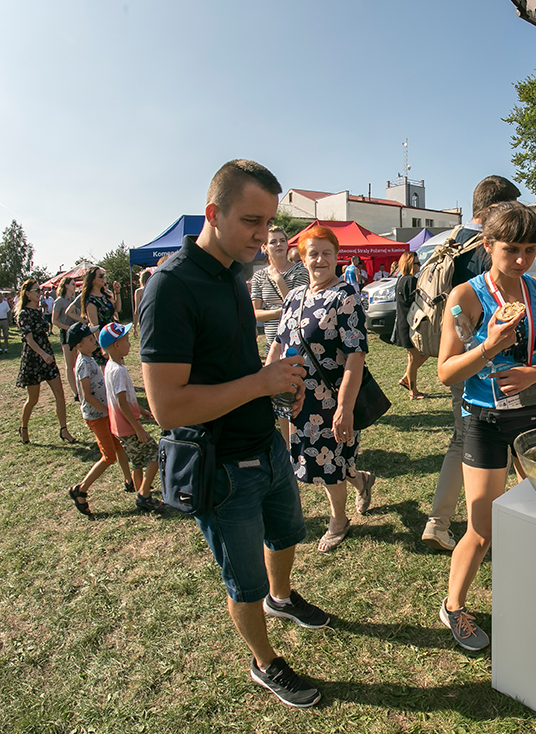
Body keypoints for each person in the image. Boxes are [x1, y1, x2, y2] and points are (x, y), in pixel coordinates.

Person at [140, 160, 328, 708]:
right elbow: (166, 406)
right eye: (251, 220)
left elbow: (228, 364)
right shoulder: (171, 287)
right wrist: (258, 382)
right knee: (242, 581)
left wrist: (274, 389)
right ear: (212, 214)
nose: (264, 236)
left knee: (286, 532)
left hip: (266, 445)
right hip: (220, 466)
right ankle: (265, 662)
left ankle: (283, 597)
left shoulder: (232, 273)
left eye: (269, 223)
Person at [436, 201, 536, 651]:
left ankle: (529, 593)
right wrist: (489, 347)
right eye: (512, 249)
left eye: (530, 249)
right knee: (483, 527)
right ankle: (454, 606)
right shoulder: (465, 297)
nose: (521, 260)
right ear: (488, 244)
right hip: (485, 422)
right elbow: (445, 372)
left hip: (535, 418)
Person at [421, 175, 521, 553]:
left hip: (460, 357)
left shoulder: (454, 244)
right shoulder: (488, 248)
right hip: (486, 365)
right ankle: (459, 523)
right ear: (497, 208)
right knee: (495, 443)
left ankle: (439, 521)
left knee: (460, 439)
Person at [269, 225, 376, 553]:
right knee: (318, 461)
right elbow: (277, 343)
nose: (320, 259)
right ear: (301, 258)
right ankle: (361, 480)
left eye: (327, 253)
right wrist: (264, 384)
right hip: (294, 400)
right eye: (312, 253)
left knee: (329, 467)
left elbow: (355, 356)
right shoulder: (294, 297)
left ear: (336, 256)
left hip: (330, 401)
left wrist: (344, 407)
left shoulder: (345, 297)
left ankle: (338, 521)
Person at [66, 322, 136, 515]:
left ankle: (129, 481)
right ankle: (80, 489)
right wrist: (107, 409)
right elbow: (86, 395)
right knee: (109, 456)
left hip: (105, 414)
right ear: (79, 346)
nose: (93, 340)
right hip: (97, 417)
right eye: (89, 339)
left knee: (119, 445)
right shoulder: (82, 364)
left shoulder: (90, 359)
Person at [100, 322, 165, 511]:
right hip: (128, 427)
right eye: (127, 341)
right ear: (117, 345)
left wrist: (142, 411)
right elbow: (121, 402)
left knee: (137, 461)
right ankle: (143, 494)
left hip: (118, 427)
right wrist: (138, 428)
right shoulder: (119, 371)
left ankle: (140, 490)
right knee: (156, 454)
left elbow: (126, 399)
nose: (130, 344)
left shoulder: (110, 366)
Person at [15, 279, 75, 444]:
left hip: (47, 356)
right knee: (33, 399)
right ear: (28, 294)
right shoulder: (24, 314)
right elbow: (29, 339)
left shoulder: (39, 311)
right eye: (36, 291)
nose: (39, 293)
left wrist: (47, 354)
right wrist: (43, 354)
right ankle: (24, 428)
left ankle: (64, 430)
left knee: (60, 394)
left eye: (40, 290)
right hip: (33, 359)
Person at [251, 225, 310, 353]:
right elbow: (256, 313)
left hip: (295, 340)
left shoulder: (300, 271)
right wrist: (280, 312)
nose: (279, 244)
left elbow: (296, 305)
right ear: (264, 247)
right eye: (273, 242)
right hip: (271, 342)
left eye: (282, 240)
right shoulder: (259, 276)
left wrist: (278, 279)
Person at [393, 251, 428, 400]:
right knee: (414, 358)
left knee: (418, 355)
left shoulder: (400, 280)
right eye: (417, 263)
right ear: (409, 264)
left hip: (403, 323)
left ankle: (407, 379)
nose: (419, 265)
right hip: (409, 324)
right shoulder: (411, 281)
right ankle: (413, 391)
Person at [77, 266, 119, 365]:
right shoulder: (91, 301)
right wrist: (102, 347)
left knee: (119, 368)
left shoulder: (105, 295)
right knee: (107, 373)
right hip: (103, 339)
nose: (103, 278)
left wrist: (117, 292)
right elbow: (94, 325)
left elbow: (117, 308)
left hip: (113, 335)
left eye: (103, 275)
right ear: (93, 280)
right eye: (100, 276)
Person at [52, 278, 79, 394]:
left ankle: (80, 388)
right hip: (66, 333)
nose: (75, 286)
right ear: (66, 286)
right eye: (72, 284)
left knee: (77, 362)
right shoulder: (59, 301)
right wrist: (68, 328)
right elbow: (54, 320)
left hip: (77, 333)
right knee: (70, 364)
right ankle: (75, 392)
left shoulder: (74, 300)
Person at [132, 270, 151, 338]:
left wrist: (134, 327)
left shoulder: (139, 292)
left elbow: (137, 311)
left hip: (144, 318)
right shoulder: (152, 289)